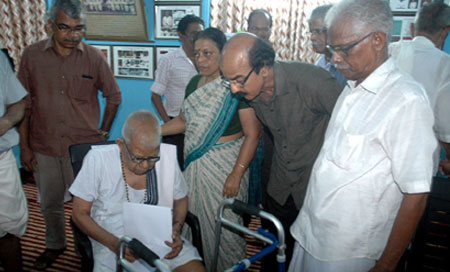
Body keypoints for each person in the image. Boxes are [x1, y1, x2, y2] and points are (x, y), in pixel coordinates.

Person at [289, 0, 437, 271]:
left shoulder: (406, 100)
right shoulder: (352, 86)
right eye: (333, 49)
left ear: (378, 40)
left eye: (344, 49)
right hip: (312, 232)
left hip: (348, 251)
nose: (335, 58)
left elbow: (416, 194)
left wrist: (385, 265)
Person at [220, 33, 343, 271]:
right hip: (280, 186)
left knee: (305, 257)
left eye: (238, 80)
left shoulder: (313, 82)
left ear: (264, 68)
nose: (234, 89)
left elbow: (352, 128)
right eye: (229, 82)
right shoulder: (251, 92)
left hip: (314, 189)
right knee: (271, 252)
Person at [17, 0, 122, 269]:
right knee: (50, 202)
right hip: (44, 144)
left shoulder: (94, 57)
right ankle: (55, 244)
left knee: (87, 206)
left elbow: (114, 97)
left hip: (83, 149)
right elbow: (23, 104)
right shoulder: (32, 56)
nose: (73, 35)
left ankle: (85, 248)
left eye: (79, 29)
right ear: (50, 25)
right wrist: (25, 147)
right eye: (65, 28)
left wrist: (104, 131)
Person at [162, 28, 261, 270]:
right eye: (197, 54)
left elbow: (253, 133)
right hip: (196, 165)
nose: (201, 60)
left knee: (224, 227)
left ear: (222, 53)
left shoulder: (236, 85)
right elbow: (184, 122)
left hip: (226, 166)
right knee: (192, 220)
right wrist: (154, 131)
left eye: (208, 53)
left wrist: (236, 174)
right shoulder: (195, 83)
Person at [70, 110, 205, 272]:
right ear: (121, 145)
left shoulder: (166, 159)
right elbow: (79, 214)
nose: (146, 165)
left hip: (159, 237)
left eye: (153, 158)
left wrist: (176, 229)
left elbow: (181, 199)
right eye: (138, 158)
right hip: (111, 239)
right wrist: (115, 244)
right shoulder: (98, 160)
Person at [390, 2, 450, 176]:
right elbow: (446, 125)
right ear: (445, 31)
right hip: (416, 167)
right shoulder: (445, 65)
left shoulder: (387, 52)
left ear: (411, 28)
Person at [151, 15, 204, 171]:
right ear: (181, 35)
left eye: (200, 33)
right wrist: (168, 123)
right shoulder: (169, 60)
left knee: (196, 169)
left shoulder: (207, 59)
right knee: (175, 171)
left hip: (201, 123)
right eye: (194, 33)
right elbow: (155, 96)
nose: (197, 37)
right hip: (174, 123)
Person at [0, 50, 28, 272]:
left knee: (10, 228)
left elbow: (18, 104)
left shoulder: (0, 59)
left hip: (1, 159)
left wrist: (7, 121)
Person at [308, 4, 347, 87]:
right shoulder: (321, 62)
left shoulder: (345, 68)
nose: (312, 37)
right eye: (311, 32)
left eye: (318, 31)